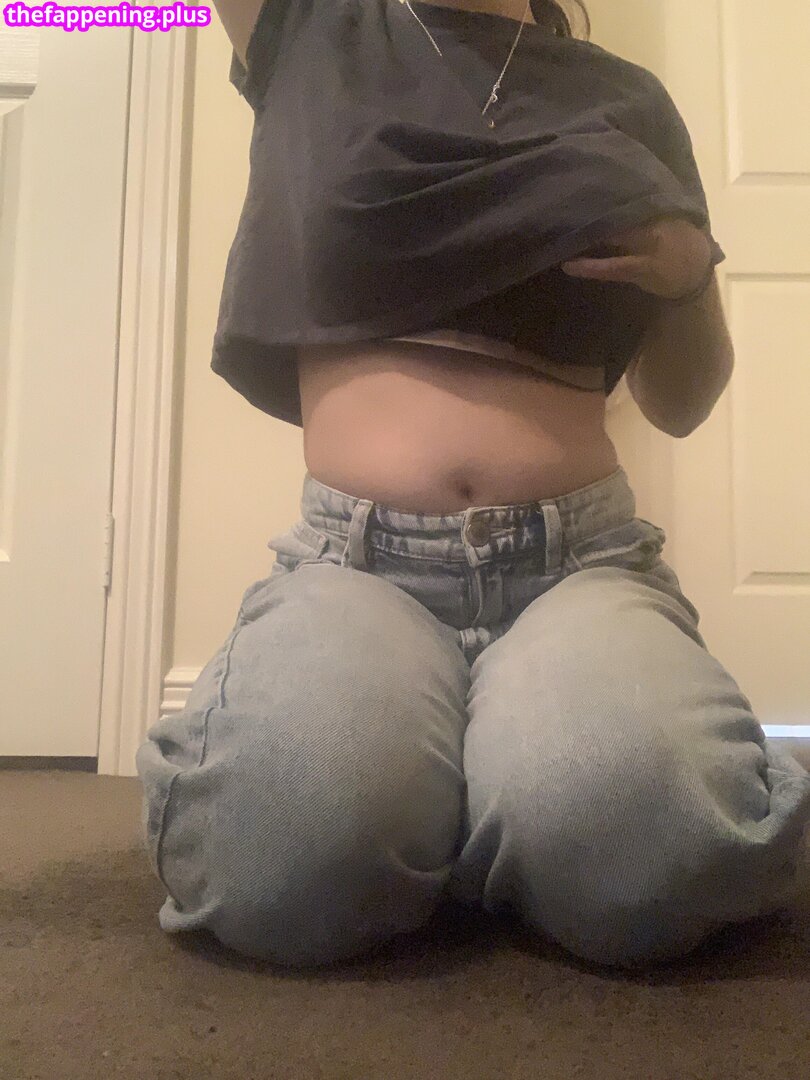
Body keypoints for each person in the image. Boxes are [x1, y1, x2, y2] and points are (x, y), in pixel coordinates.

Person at [135, 0, 810, 971]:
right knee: (275, 856)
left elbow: (683, 402)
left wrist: (689, 276)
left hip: (579, 569)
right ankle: (475, 799)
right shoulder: (308, 32)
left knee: (655, 848)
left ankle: (463, 802)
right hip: (358, 568)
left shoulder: (630, 103)